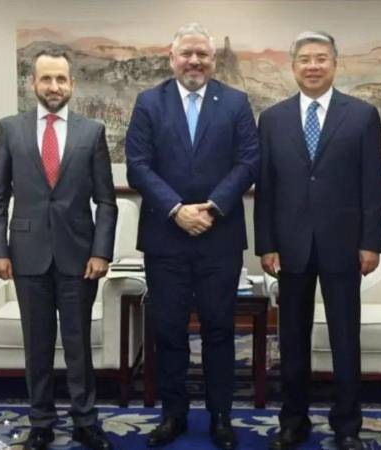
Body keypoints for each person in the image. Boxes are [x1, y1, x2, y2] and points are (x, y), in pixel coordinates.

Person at [125, 22, 259, 450]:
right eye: (187, 54)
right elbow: (138, 166)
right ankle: (173, 414)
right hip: (166, 238)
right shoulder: (149, 103)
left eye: (202, 54)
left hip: (220, 238)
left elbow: (248, 163)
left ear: (213, 60)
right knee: (169, 331)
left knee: (220, 330)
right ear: (172, 58)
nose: (195, 61)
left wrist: (212, 207)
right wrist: (177, 211)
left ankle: (221, 416)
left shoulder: (236, 103)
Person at [254, 31, 381, 450]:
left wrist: (371, 242)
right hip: (290, 247)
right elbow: (267, 187)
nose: (313, 66)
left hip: (344, 246)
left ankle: (347, 424)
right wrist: (266, 243)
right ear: (293, 67)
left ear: (335, 63)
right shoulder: (272, 119)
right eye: (305, 60)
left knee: (345, 338)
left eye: (321, 58)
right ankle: (294, 420)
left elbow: (373, 186)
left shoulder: (362, 115)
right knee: (291, 339)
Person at [0, 49, 117, 450]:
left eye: (61, 79)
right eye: (47, 79)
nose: (54, 87)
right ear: (33, 84)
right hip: (26, 255)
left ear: (72, 85)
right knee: (37, 344)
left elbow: (106, 202)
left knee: (78, 345)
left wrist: (102, 252)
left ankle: (85, 420)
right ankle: (41, 420)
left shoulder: (91, 131)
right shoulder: (10, 129)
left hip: (79, 258)